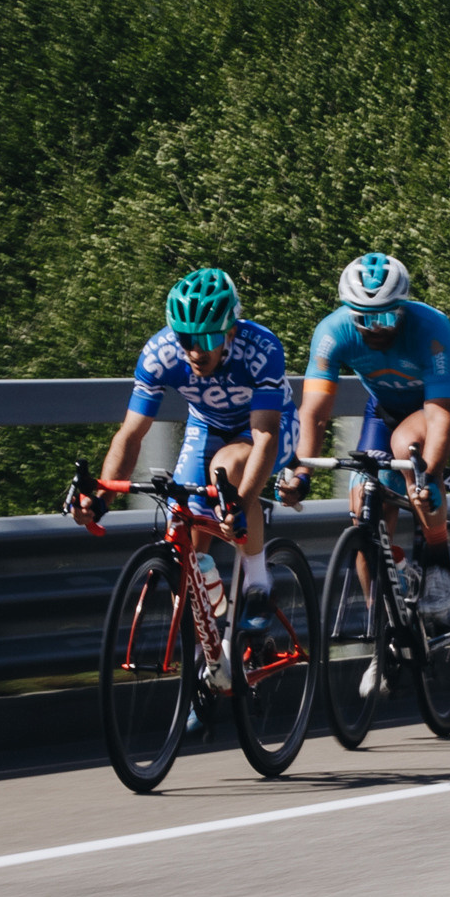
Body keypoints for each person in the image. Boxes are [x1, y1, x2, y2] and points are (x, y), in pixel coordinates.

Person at [284, 253, 450, 677]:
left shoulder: (432, 331)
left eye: (387, 318)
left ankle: (438, 565)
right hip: (386, 408)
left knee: (408, 448)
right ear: (347, 312)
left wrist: (429, 473)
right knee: (362, 507)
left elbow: (441, 417)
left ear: (404, 306)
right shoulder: (332, 332)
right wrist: (301, 471)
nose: (376, 329)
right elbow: (315, 413)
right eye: (364, 320)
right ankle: (385, 626)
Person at [96, 267, 295, 683]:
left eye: (206, 340)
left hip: (262, 429)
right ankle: (205, 662)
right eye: (186, 339)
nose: (195, 351)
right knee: (182, 527)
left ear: (230, 332)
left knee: (228, 471)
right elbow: (131, 434)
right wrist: (102, 496)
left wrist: (240, 503)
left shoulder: (260, 348)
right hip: (205, 426)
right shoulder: (160, 353)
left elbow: (264, 438)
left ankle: (258, 583)